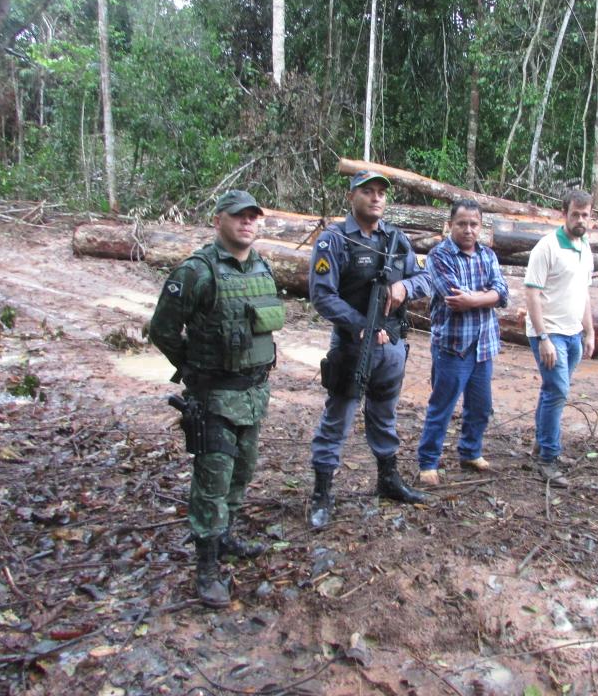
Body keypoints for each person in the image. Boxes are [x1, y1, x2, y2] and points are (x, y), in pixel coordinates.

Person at [149, 190, 283, 608]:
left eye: (253, 217)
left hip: (253, 393)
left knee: (242, 471)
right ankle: (206, 568)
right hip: (214, 396)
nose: (248, 223)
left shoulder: (262, 266)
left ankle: (225, 538)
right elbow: (163, 329)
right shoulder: (196, 271)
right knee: (212, 481)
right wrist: (194, 369)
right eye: (239, 216)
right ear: (218, 220)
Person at [307, 170, 432, 529]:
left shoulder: (395, 239)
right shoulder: (335, 241)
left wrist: (405, 289)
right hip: (352, 345)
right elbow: (322, 295)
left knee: (384, 414)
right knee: (339, 417)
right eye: (367, 192)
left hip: (391, 345)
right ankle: (322, 491)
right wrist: (361, 324)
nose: (376, 198)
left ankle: (388, 478)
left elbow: (426, 278)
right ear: (351, 198)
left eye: (381, 192)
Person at [416, 199, 509, 486]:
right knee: (441, 406)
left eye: (474, 224)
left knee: (480, 407)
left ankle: (470, 451)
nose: (468, 230)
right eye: (462, 224)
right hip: (453, 347)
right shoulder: (439, 256)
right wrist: (486, 296)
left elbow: (503, 293)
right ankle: (428, 462)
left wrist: (475, 298)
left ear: (480, 227)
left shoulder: (488, 255)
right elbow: (454, 297)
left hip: (483, 345)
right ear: (450, 225)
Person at [524, 189, 595, 488]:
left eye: (585, 215)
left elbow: (584, 293)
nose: (580, 220)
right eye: (575, 214)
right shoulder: (547, 247)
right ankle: (548, 459)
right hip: (549, 333)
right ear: (563, 213)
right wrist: (543, 337)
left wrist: (589, 330)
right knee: (558, 392)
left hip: (573, 333)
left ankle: (542, 444)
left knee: (552, 390)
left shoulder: (586, 248)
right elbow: (531, 292)